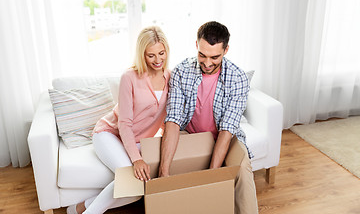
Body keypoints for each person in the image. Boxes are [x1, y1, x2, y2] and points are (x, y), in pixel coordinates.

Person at [67, 26, 171, 214]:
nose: (157, 60)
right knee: (130, 181)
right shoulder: (129, 77)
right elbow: (124, 124)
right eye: (151, 55)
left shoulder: (171, 78)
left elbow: (166, 118)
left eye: (161, 53)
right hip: (109, 134)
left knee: (135, 193)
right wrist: (137, 159)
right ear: (142, 55)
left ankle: (82, 207)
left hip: (137, 140)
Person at [158, 21, 258, 214]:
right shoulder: (181, 71)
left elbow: (227, 129)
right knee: (167, 165)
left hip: (225, 135)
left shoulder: (237, 78)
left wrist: (213, 178)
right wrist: (163, 173)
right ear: (196, 45)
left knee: (243, 169)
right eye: (202, 55)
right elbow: (173, 119)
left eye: (215, 57)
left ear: (226, 50)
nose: (207, 63)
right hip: (191, 133)